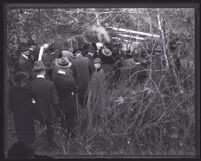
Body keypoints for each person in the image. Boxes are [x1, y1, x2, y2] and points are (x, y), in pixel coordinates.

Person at [29, 61, 59, 148]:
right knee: (50, 127)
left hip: (38, 109)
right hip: (49, 110)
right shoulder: (50, 84)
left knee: (41, 123)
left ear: (35, 72)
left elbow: (32, 97)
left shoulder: (31, 84)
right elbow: (55, 101)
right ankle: (50, 143)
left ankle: (41, 137)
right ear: (44, 71)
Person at [53, 57, 78, 137]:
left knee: (63, 116)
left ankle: (63, 131)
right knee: (70, 118)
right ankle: (71, 134)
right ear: (67, 67)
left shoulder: (55, 76)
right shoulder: (69, 79)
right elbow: (76, 89)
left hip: (60, 99)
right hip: (69, 100)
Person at [8, 72, 35, 146]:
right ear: (21, 82)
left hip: (17, 113)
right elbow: (31, 100)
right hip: (27, 112)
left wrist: (13, 110)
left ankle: (22, 141)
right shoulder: (26, 89)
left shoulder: (12, 89)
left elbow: (10, 104)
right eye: (24, 81)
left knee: (19, 128)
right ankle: (29, 142)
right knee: (28, 127)